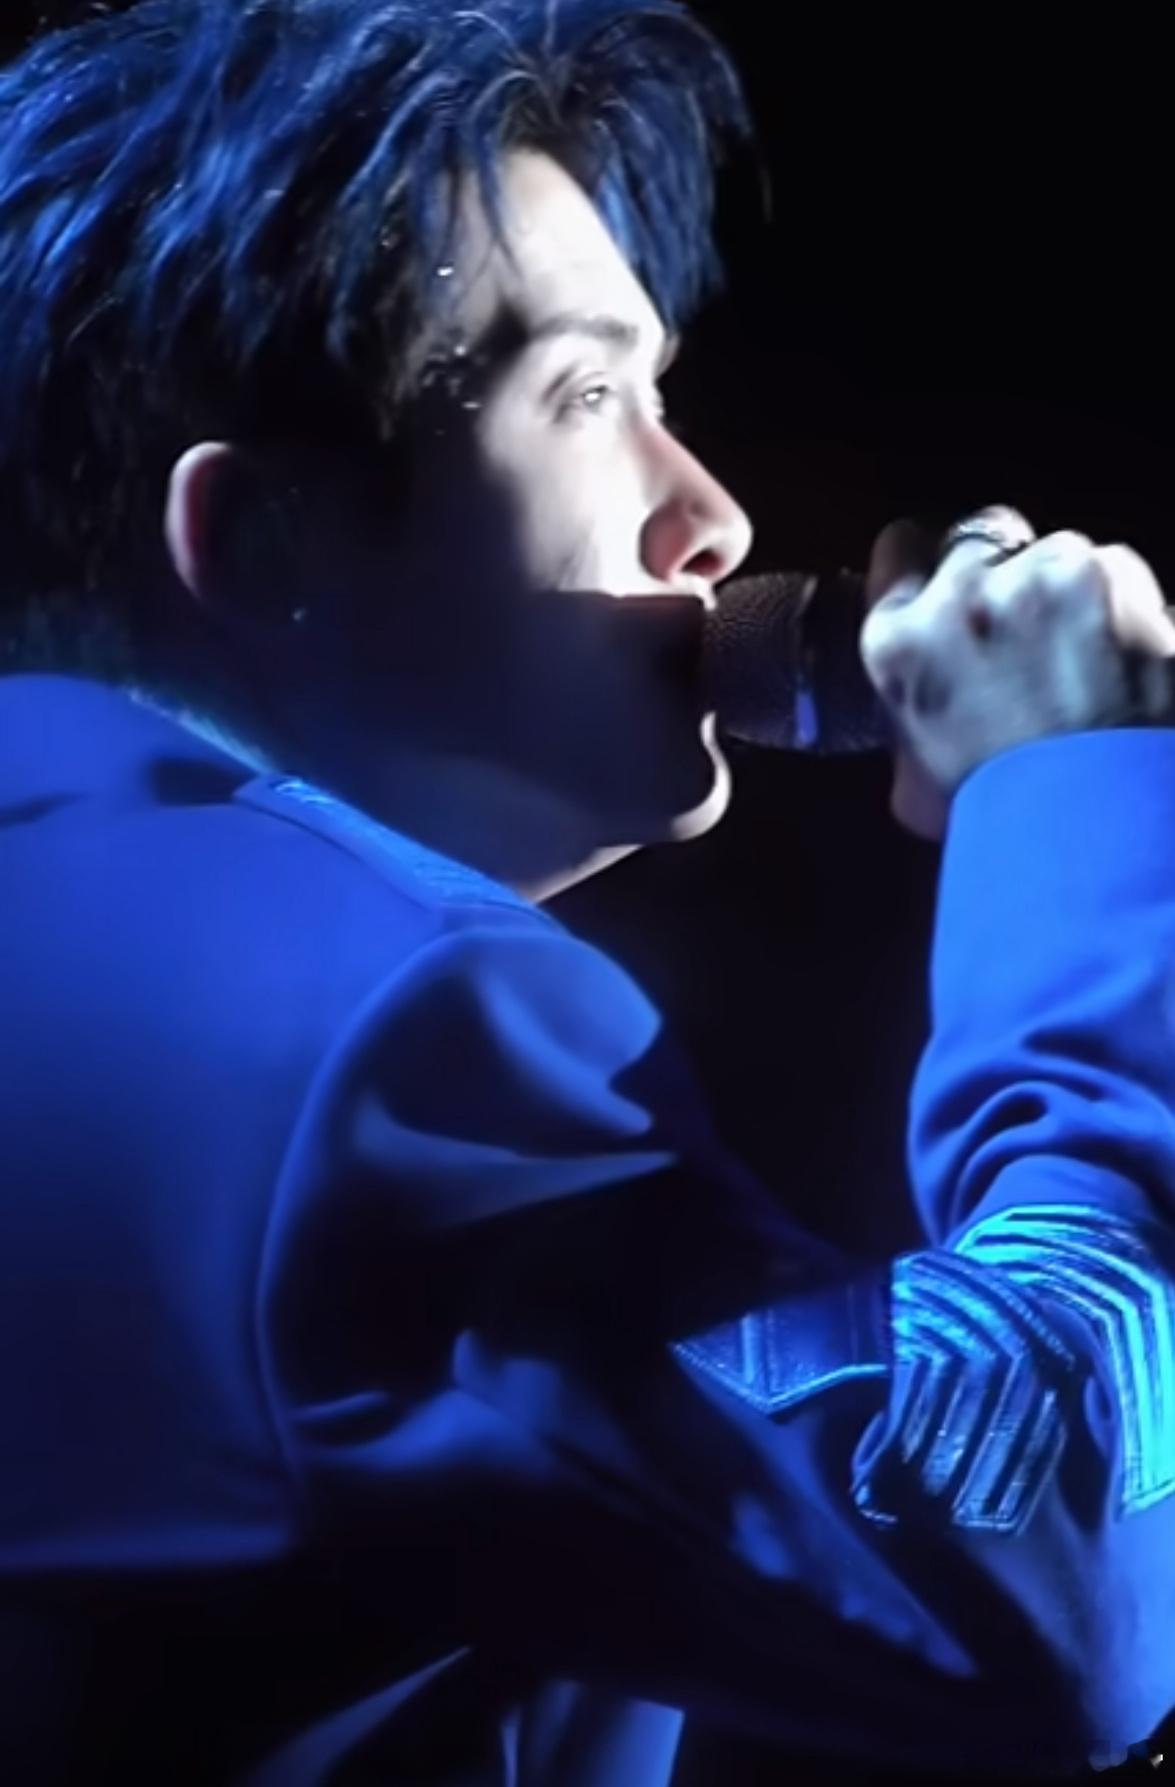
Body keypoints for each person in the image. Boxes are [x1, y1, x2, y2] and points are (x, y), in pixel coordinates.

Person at [0, 3, 1173, 1783]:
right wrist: (1073, 795)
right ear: (263, 540)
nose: (709, 518)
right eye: (585, 396)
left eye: (664, 396)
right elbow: (1050, 1574)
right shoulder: (369, 1042)